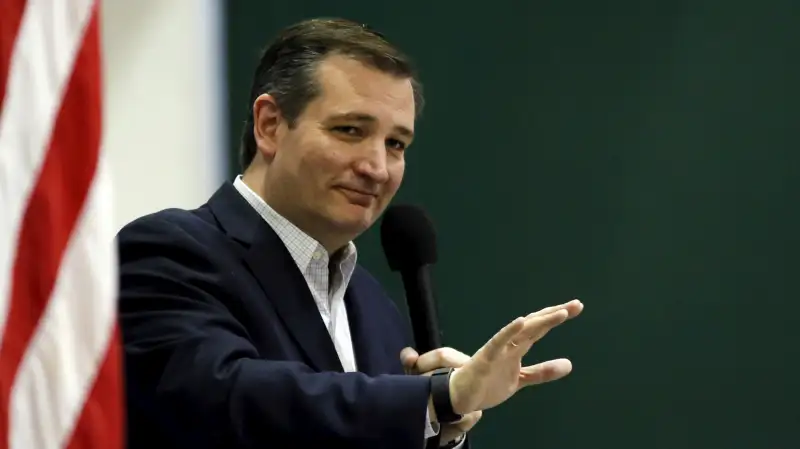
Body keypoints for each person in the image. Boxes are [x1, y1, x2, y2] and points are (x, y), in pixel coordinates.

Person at [116, 17, 583, 449]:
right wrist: (437, 399)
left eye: (395, 144)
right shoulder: (168, 252)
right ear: (270, 125)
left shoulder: (374, 308)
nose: (376, 168)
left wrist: (442, 431)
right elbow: (227, 401)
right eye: (349, 130)